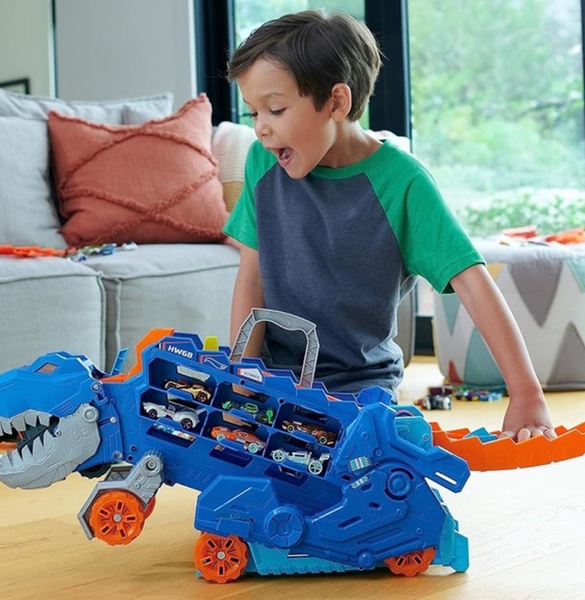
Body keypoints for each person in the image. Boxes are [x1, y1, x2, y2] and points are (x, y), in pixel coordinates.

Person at [223, 9, 556, 442]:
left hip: (358, 389)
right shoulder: (262, 163)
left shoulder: (403, 183)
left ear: (336, 102)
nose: (261, 130)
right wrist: (240, 388)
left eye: (275, 109)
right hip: (274, 379)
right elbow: (251, 281)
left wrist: (527, 393)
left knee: (372, 456)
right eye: (253, 114)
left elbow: (473, 284)